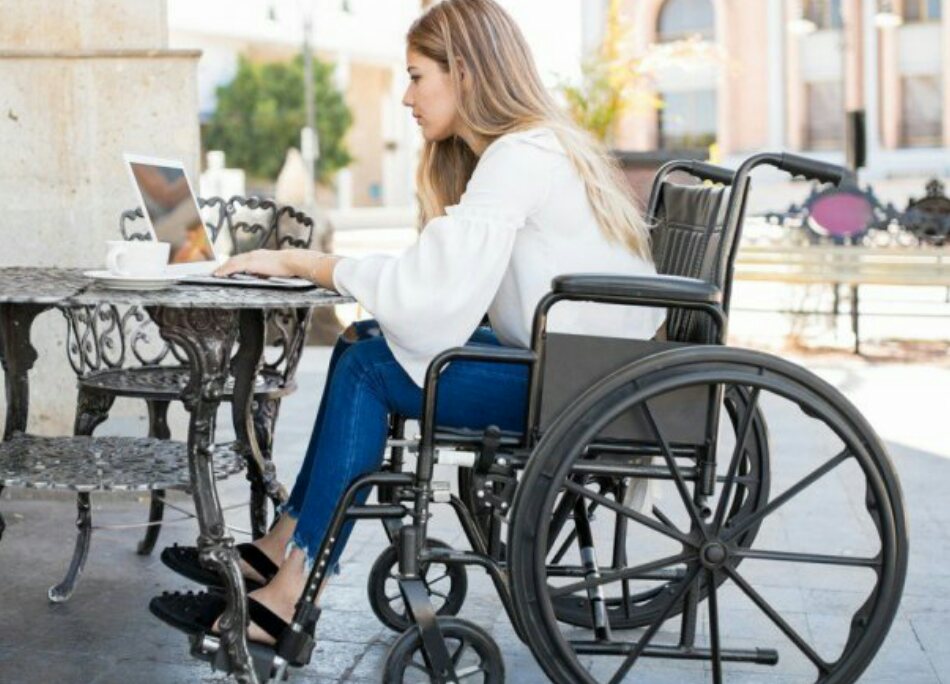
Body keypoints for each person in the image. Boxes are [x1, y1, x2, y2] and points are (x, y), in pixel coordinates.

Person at [156, 0, 664, 646]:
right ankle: (282, 542)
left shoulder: (519, 156)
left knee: (370, 369)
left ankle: (291, 592)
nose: (405, 96)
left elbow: (425, 292)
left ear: (467, 75)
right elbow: (438, 286)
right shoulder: (527, 148)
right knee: (361, 341)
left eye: (418, 75)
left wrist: (299, 261)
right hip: (576, 368)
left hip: (577, 387)